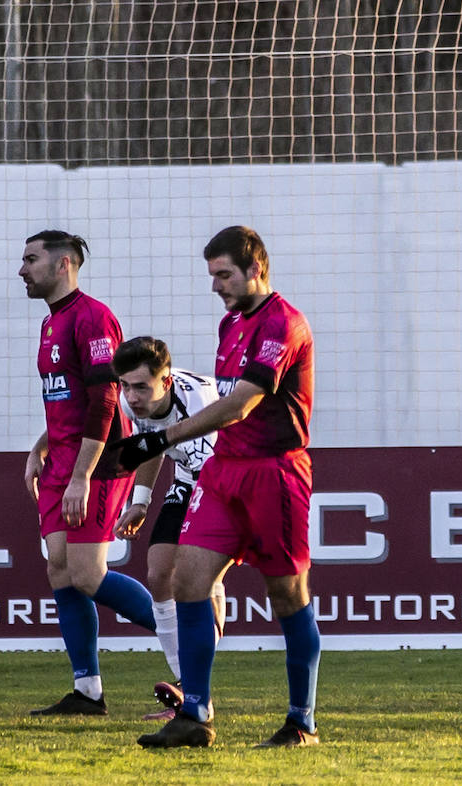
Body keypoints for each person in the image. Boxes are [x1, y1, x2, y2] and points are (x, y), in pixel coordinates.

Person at [114, 226, 319, 749]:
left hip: (274, 472)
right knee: (187, 579)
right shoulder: (231, 323)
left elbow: (241, 402)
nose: (215, 286)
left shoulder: (284, 323)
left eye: (223, 274)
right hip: (224, 471)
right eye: (212, 275)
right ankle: (195, 713)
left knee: (287, 597)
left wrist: (161, 438)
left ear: (257, 269)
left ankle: (302, 721)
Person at [19, 230, 157, 715]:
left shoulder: (93, 317)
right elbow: (66, 396)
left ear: (64, 265)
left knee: (86, 572)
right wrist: (41, 445)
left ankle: (187, 633)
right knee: (60, 570)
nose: (22, 269)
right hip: (60, 461)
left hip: (96, 464)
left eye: (31, 259)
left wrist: (81, 475)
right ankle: (88, 692)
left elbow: (104, 399)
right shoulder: (51, 323)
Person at [111, 336, 225, 721]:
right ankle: (184, 686)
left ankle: (196, 692)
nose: (132, 396)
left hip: (225, 479)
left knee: (196, 577)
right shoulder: (135, 401)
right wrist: (140, 500)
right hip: (187, 475)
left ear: (167, 382)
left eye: (141, 386)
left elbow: (211, 469)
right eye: (125, 385)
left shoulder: (200, 406)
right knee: (159, 573)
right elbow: (153, 445)